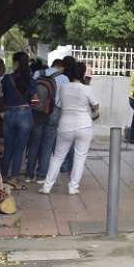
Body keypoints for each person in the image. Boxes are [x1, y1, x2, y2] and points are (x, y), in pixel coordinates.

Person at [40, 62, 100, 195]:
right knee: (80, 157)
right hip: (84, 125)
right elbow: (96, 106)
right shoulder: (86, 89)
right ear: (83, 74)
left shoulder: (63, 87)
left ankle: (47, 186)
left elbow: (59, 104)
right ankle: (73, 187)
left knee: (58, 156)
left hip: (65, 125)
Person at [26, 59, 69, 184]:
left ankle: (29, 175)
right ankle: (41, 175)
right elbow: (63, 99)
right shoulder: (64, 78)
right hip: (54, 112)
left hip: (38, 112)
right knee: (47, 145)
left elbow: (32, 93)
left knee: (34, 142)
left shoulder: (38, 74)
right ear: (61, 67)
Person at [1, 51, 38, 187]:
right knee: (20, 148)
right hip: (25, 114)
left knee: (8, 147)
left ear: (16, 62)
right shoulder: (31, 81)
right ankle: (14, 177)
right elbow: (35, 101)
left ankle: (3, 175)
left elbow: (2, 96)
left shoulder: (6, 78)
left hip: (9, 113)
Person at [60, 55, 77, 174]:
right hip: (75, 112)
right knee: (73, 142)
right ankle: (70, 166)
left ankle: (64, 164)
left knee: (63, 140)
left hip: (63, 111)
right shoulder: (76, 78)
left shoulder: (62, 77)